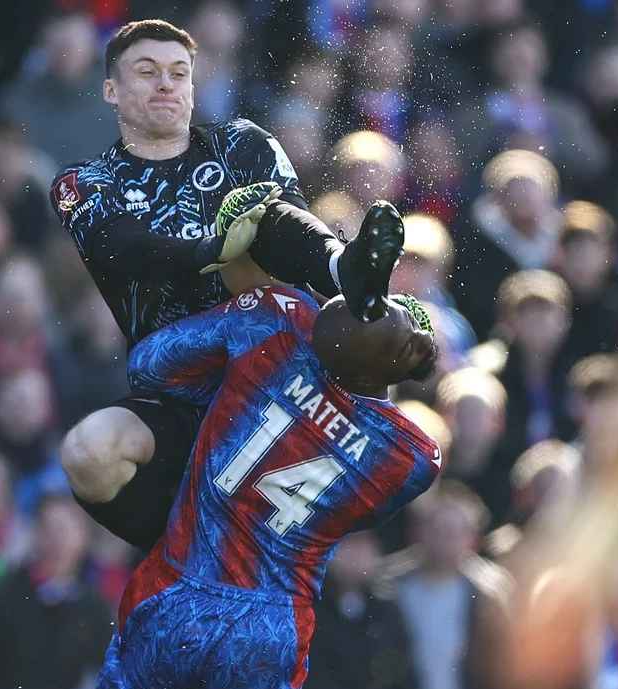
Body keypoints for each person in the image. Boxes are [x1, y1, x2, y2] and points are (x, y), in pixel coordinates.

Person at [55, 20, 403, 551]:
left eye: (179, 73)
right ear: (111, 90)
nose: (165, 84)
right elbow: (122, 248)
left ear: (195, 87)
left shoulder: (240, 143)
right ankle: (190, 550)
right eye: (146, 73)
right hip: (179, 391)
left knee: (264, 218)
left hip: (281, 383)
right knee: (87, 453)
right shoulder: (84, 183)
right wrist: (209, 250)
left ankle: (347, 271)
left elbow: (287, 229)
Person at [94, 203, 442, 689]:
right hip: (269, 619)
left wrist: (234, 387)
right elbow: (356, 507)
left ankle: (339, 264)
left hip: (178, 585)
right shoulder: (409, 454)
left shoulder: (278, 325)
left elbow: (149, 366)